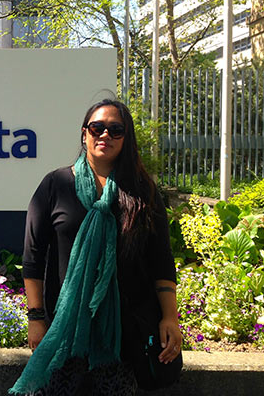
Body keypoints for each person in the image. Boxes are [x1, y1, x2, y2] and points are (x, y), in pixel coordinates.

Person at [10, 99, 181, 396]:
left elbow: (160, 260)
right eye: (97, 127)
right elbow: (33, 258)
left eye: (116, 130)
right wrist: (36, 318)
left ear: (126, 139)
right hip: (64, 329)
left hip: (122, 333)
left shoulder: (142, 191)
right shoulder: (55, 185)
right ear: (84, 133)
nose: (105, 135)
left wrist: (170, 317)